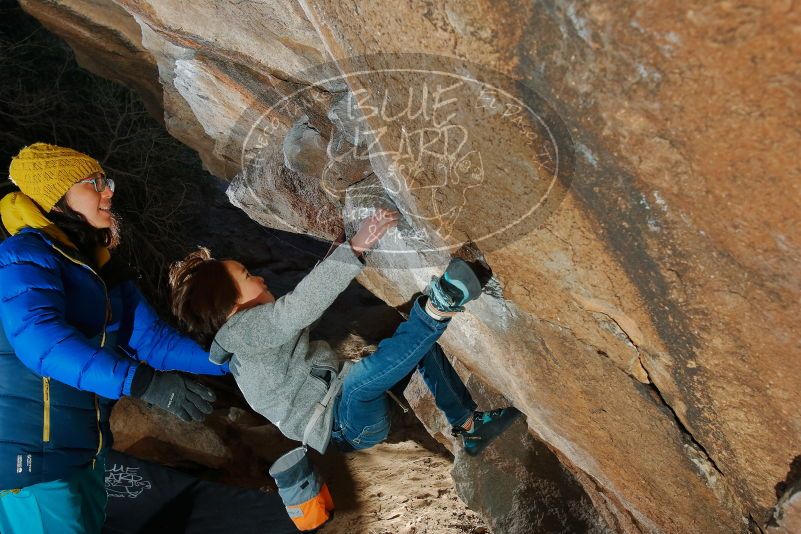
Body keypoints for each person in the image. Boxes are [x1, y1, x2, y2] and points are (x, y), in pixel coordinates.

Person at [169, 207, 521, 458]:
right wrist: (355, 248)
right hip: (340, 425)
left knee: (409, 345)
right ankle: (440, 306)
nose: (259, 278)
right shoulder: (243, 333)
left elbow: (299, 315)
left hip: (342, 408)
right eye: (247, 276)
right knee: (361, 378)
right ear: (230, 308)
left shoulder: (247, 340)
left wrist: (335, 253)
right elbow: (300, 307)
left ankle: (469, 424)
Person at [0, 143, 227, 534]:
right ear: (57, 197)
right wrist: (142, 383)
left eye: (108, 182)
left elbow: (152, 341)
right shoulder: (24, 255)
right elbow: (43, 344)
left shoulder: (96, 264)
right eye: (95, 183)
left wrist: (228, 360)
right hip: (31, 458)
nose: (109, 191)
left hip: (84, 452)